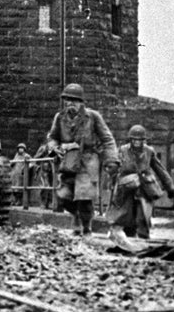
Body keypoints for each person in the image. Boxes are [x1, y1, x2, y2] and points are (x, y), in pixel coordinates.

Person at [46, 82, 119, 236]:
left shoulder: (92, 117)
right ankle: (76, 216)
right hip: (68, 160)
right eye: (67, 100)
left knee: (84, 197)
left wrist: (111, 159)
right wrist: (53, 148)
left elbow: (107, 139)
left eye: (74, 100)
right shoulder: (59, 117)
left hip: (88, 160)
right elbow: (52, 137)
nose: (70, 103)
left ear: (81, 102)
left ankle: (86, 228)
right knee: (63, 197)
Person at [107, 125, 174, 245]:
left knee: (142, 217)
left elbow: (160, 170)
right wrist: (112, 182)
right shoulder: (122, 150)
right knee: (126, 218)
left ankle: (144, 242)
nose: (137, 142)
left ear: (144, 140)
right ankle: (129, 245)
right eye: (135, 140)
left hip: (144, 188)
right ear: (131, 140)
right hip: (127, 188)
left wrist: (170, 187)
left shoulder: (149, 152)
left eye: (140, 140)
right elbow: (114, 168)